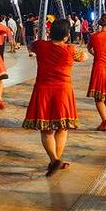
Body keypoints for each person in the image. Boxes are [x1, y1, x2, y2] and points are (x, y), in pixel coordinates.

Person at [23, 19, 87, 176]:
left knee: (46, 130)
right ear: (66, 36)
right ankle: (56, 160)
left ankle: (54, 160)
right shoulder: (71, 50)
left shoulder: (40, 46)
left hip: (43, 90)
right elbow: (84, 56)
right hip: (63, 91)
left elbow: (30, 46)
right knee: (62, 127)